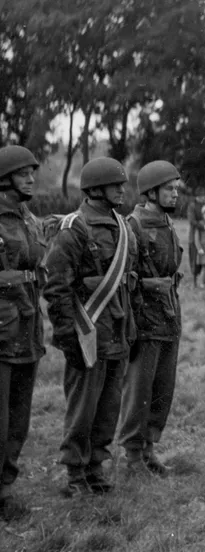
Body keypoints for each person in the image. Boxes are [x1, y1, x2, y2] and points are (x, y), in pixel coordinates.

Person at [43, 157, 139, 496]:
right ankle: (75, 473)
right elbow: (56, 287)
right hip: (87, 336)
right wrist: (69, 336)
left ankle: (96, 467)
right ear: (95, 189)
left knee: (108, 408)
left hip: (117, 334)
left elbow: (129, 283)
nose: (122, 190)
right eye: (116, 185)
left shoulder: (124, 227)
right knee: (82, 409)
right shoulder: (75, 228)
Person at [118, 160, 183, 478]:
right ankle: (132, 455)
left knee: (162, 389)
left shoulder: (167, 223)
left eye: (176, 189)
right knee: (140, 389)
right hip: (144, 320)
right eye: (169, 189)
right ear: (151, 192)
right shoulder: (134, 225)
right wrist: (147, 284)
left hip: (169, 318)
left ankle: (149, 449)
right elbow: (122, 276)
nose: (175, 194)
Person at [0, 146, 46, 516]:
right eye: (23, 173)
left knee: (19, 416)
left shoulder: (29, 219)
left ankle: (5, 485)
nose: (31, 178)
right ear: (5, 179)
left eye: (32, 172)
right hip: (2, 328)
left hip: (27, 326)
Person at [185, 192, 205, 287]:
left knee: (204, 258)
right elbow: (191, 220)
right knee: (194, 259)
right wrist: (201, 224)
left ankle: (204, 280)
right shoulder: (192, 206)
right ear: (197, 196)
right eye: (201, 196)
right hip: (194, 236)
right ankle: (195, 281)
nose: (203, 198)